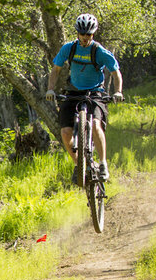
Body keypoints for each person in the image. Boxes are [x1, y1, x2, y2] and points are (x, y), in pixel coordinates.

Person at [46, 13, 123, 184]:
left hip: (95, 93)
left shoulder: (99, 51)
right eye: (82, 34)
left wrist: (118, 91)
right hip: (74, 92)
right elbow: (56, 69)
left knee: (95, 125)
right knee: (65, 132)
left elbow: (116, 72)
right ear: (77, 33)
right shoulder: (69, 48)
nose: (85, 38)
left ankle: (103, 164)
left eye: (88, 34)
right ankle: (78, 165)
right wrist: (50, 89)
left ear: (93, 34)